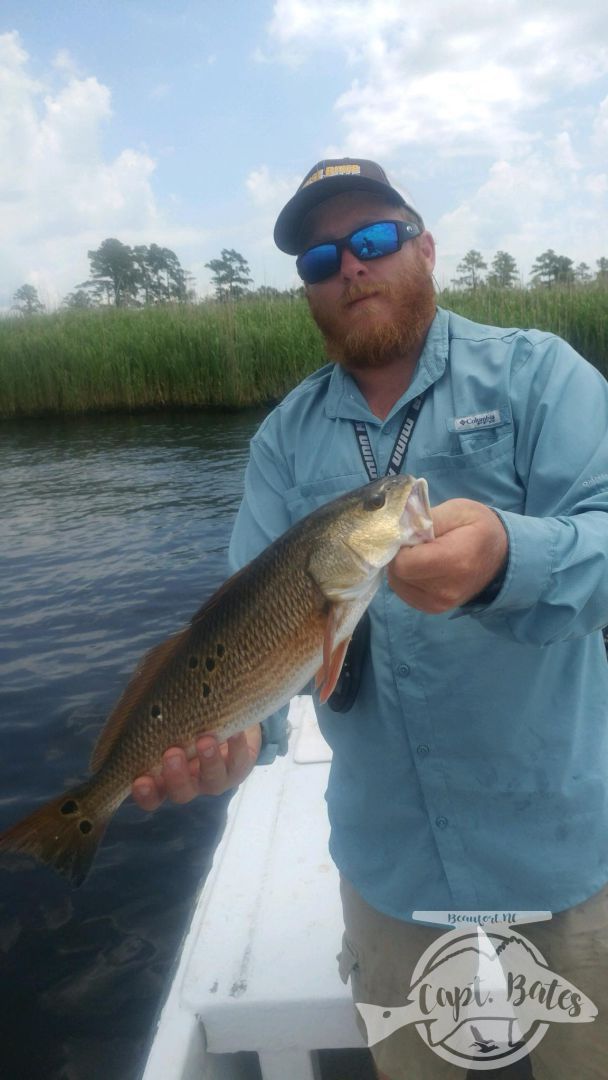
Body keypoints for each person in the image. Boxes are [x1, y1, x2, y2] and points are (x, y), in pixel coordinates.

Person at [132, 158, 608, 1079]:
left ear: (424, 247)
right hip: (390, 877)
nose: (349, 267)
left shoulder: (538, 376)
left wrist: (511, 554)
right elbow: (239, 645)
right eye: (319, 259)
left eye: (374, 240)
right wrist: (229, 744)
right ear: (309, 291)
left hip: (565, 860)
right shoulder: (283, 441)